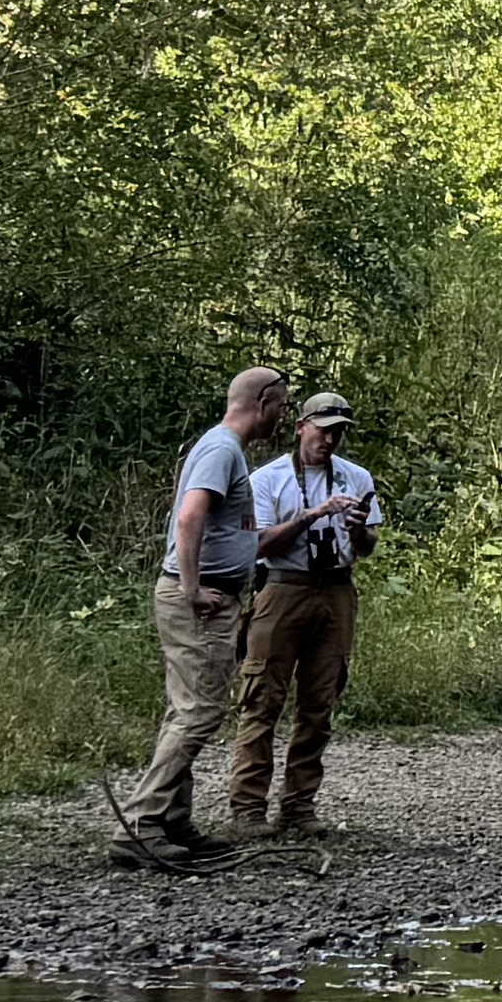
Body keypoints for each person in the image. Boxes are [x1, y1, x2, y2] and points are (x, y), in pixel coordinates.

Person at [131, 365, 287, 853]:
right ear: (262, 402)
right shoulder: (221, 449)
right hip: (200, 601)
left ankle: (172, 822)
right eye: (282, 405)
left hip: (210, 596)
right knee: (199, 712)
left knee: (185, 710)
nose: (283, 416)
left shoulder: (226, 450)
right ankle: (140, 825)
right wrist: (193, 589)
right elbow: (191, 514)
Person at [228, 392, 382, 840]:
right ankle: (248, 807)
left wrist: (359, 531)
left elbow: (369, 546)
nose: (330, 439)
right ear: (301, 428)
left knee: (319, 704)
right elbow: (257, 545)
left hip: (335, 591)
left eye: (338, 432)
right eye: (322, 430)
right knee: (262, 700)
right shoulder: (267, 479)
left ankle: (299, 805)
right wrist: (310, 515)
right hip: (283, 587)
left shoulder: (356, 478)